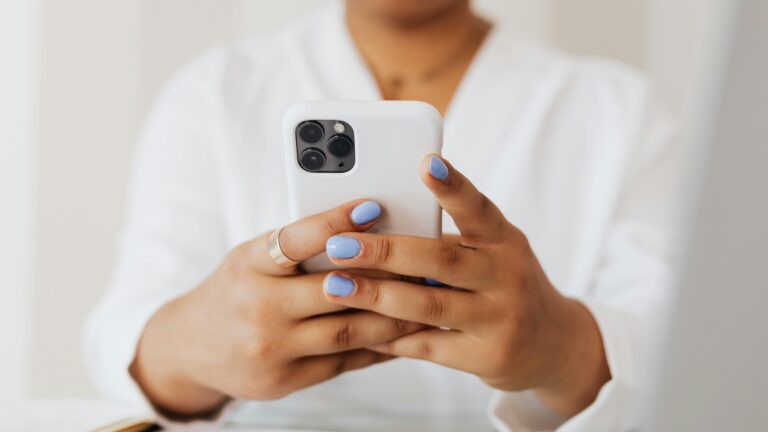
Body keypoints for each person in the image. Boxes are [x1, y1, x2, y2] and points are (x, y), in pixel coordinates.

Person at [84, 0, 682, 430]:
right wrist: (198, 341)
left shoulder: (621, 113)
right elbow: (122, 336)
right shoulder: (217, 92)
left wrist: (563, 347)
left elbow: (687, 357)